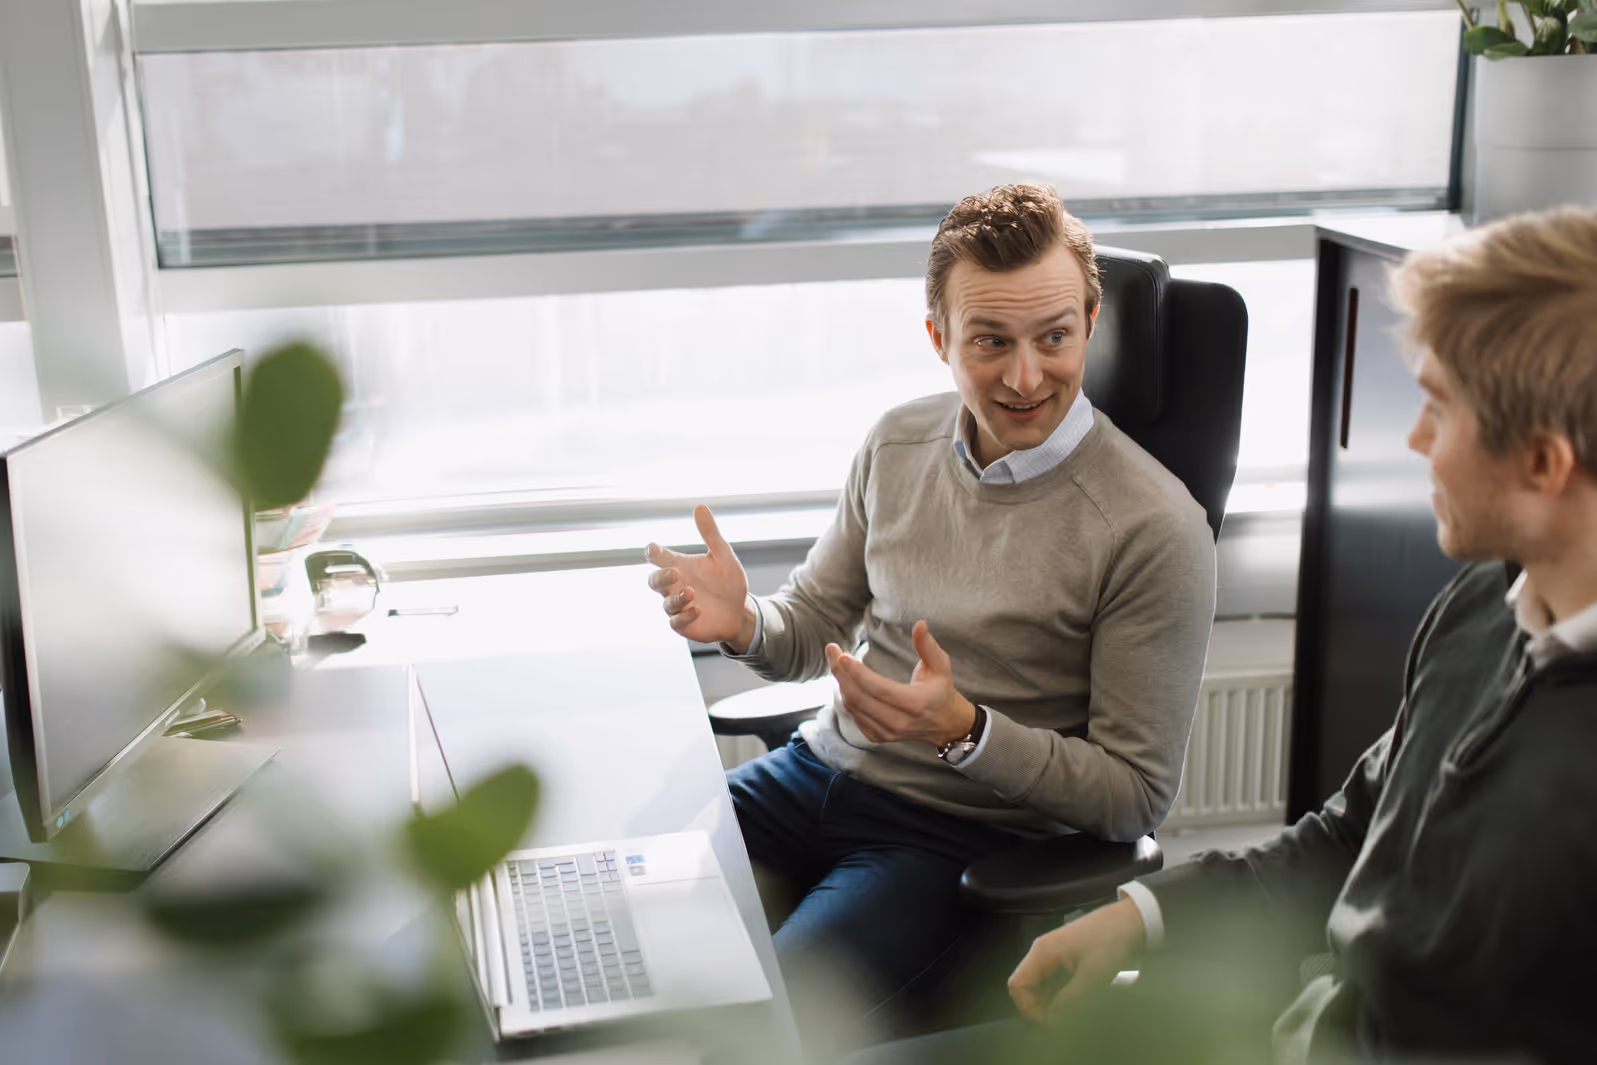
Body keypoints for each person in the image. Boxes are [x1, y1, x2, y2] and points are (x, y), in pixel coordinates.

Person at [991, 206, 1597, 1065]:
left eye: (1437, 407)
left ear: (1542, 462)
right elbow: (1351, 833)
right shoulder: (1480, 605)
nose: (1415, 438)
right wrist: (1143, 913)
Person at [643, 182, 1216, 1042]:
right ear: (938, 337)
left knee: (766, 1030)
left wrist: (965, 729)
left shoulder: (1155, 527)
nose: (1025, 376)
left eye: (1054, 338)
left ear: (1091, 324)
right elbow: (812, 622)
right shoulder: (895, 443)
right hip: (811, 774)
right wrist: (744, 624)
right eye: (989, 341)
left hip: (952, 836)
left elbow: (1132, 795)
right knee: (624, 924)